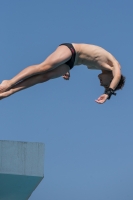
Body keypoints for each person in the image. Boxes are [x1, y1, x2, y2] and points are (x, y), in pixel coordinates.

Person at [0, 43, 125, 103]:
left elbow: (83, 59)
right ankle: (9, 83)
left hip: (71, 63)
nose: (100, 84)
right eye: (105, 85)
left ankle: (11, 91)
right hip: (71, 50)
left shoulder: (99, 68)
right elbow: (118, 75)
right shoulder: (115, 66)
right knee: (44, 67)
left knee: (45, 77)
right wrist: (108, 93)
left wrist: (67, 69)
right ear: (113, 78)